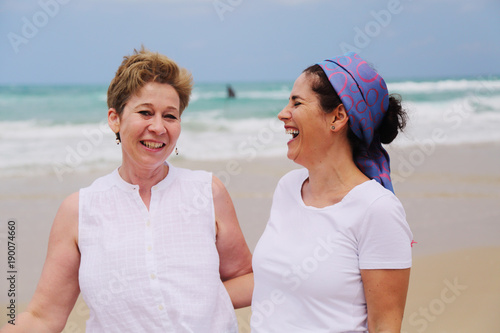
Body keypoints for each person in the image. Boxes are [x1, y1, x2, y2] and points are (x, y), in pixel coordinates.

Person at [1, 47, 252, 333]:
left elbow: (248, 277)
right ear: (115, 119)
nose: (158, 127)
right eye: (145, 112)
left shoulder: (207, 192)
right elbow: (42, 318)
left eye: (170, 116)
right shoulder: (79, 211)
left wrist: (203, 299)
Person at [250, 52, 413, 332]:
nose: (282, 114)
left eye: (296, 103)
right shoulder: (287, 188)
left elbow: (385, 325)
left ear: (337, 117)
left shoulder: (377, 209)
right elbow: (275, 282)